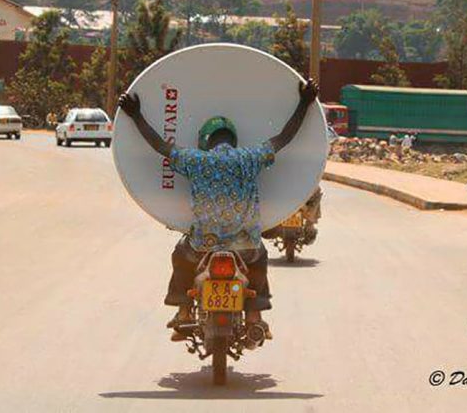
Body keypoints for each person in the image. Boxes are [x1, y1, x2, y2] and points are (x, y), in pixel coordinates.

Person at [118, 79, 320, 341]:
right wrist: (305, 103)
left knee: (180, 256)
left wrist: (136, 115)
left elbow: (160, 146)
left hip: (203, 246)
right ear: (233, 140)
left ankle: (184, 312)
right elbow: (283, 137)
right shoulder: (250, 157)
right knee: (260, 258)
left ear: (205, 140)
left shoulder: (195, 160)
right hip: (245, 249)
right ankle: (255, 318)